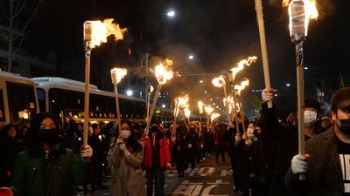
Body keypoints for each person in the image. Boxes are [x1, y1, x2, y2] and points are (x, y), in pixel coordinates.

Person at [0, 112, 93, 196]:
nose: (48, 130)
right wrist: (11, 192)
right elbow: (18, 185)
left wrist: (85, 160)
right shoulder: (24, 157)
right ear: (35, 130)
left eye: (52, 127)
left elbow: (80, 179)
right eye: (43, 127)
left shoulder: (67, 154)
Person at [285, 87, 350, 195]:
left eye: (313, 110)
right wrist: (294, 173)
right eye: (348, 110)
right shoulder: (314, 147)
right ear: (333, 115)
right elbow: (295, 188)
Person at [260, 88, 321, 196]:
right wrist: (267, 104)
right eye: (304, 110)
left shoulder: (321, 139)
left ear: (318, 115)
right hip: (284, 189)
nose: (308, 113)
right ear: (297, 114)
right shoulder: (287, 134)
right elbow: (271, 125)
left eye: (312, 110)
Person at [107, 120, 146, 196]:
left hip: (134, 183)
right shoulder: (113, 144)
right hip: (118, 183)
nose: (125, 131)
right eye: (122, 128)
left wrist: (125, 151)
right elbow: (113, 163)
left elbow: (137, 163)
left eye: (127, 128)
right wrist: (117, 147)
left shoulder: (138, 145)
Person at [143, 122, 171, 196]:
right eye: (153, 125)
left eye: (156, 125)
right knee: (149, 183)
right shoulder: (146, 136)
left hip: (159, 162)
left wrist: (168, 161)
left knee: (158, 183)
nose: (154, 126)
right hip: (149, 162)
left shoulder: (162, 136)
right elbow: (142, 148)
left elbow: (166, 149)